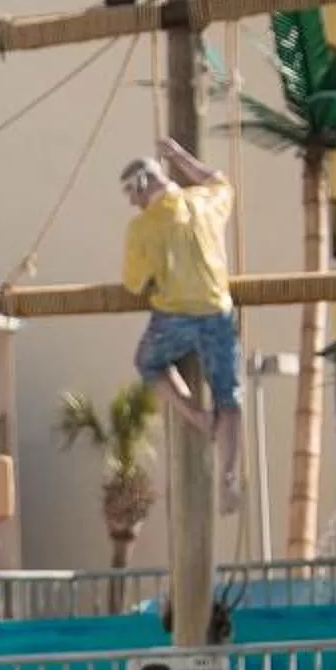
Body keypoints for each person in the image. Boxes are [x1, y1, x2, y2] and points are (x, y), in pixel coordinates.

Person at [120, 134, 243, 511]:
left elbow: (133, 282)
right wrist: (179, 156)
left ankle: (198, 417)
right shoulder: (205, 201)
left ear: (141, 188)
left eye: (131, 194)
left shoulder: (143, 227)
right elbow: (219, 179)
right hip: (217, 309)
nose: (132, 203)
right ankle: (230, 474)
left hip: (175, 316)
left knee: (148, 362)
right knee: (230, 395)